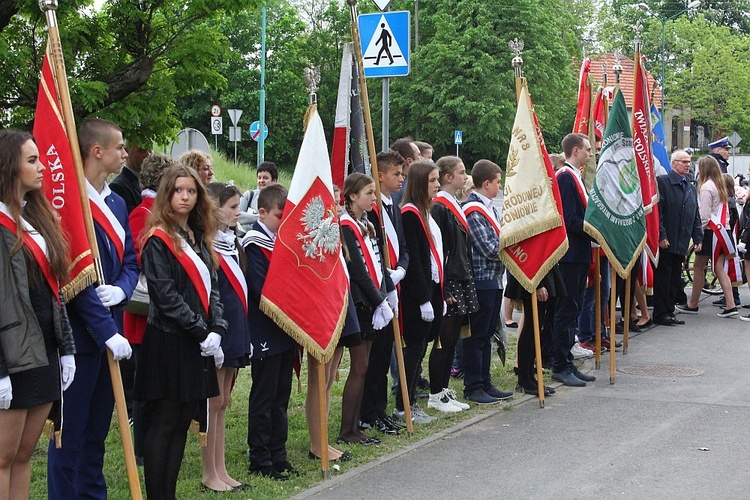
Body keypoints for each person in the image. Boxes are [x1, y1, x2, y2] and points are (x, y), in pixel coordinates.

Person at [48, 118, 139, 499]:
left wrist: (120, 291)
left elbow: (131, 261)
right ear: (96, 151)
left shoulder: (117, 201)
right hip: (81, 341)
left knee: (97, 435)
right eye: (119, 147)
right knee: (69, 438)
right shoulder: (68, 203)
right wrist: (106, 331)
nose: (125, 153)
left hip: (112, 332)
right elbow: (71, 274)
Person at [134, 164, 226, 499]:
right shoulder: (159, 238)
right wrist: (203, 332)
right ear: (167, 195)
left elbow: (214, 289)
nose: (184, 197)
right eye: (178, 191)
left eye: (190, 191)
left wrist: (217, 327)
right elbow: (165, 296)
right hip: (169, 341)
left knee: (183, 422)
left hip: (197, 343)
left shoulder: (199, 236)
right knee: (164, 422)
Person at [0, 130, 75, 499]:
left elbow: (52, 293)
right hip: (12, 358)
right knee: (2, 456)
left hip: (44, 351)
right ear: (8, 166)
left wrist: (67, 348)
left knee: (24, 454)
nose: (42, 167)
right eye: (31, 160)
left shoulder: (36, 218)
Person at [122, 152, 178, 464]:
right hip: (144, 315)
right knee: (145, 388)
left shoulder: (163, 213)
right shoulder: (141, 212)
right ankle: (142, 448)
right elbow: (138, 255)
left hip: (163, 314)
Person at [242, 184, 299, 480]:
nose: (283, 221)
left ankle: (279, 453)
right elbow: (261, 288)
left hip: (286, 329)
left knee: (281, 396)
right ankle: (260, 457)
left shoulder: (281, 241)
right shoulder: (254, 244)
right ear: (262, 213)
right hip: (265, 329)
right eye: (279, 215)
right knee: (264, 397)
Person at [202, 182, 252, 492]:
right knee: (213, 401)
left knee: (224, 400)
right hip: (217, 331)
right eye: (232, 207)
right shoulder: (206, 244)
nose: (238, 212)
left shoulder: (232, 242)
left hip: (236, 326)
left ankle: (221, 468)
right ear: (213, 208)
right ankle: (209, 473)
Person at [339, 173, 395, 442]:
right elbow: (358, 271)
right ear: (352, 196)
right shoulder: (346, 226)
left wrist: (387, 292)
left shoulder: (365, 223)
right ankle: (346, 429)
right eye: (369, 193)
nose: (374, 198)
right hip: (360, 304)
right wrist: (378, 300)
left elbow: (376, 265)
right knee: (359, 367)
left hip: (372, 302)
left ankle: (355, 425)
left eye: (374, 193)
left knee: (366, 365)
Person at [361, 152, 409, 434]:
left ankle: (379, 410)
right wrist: (386, 280)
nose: (401, 178)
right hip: (378, 292)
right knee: (376, 357)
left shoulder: (393, 206)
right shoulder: (373, 209)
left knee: (385, 352)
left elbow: (401, 245)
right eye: (395, 174)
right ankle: (369, 412)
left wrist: (401, 268)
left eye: (402, 174)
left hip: (393, 285)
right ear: (380, 176)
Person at [306, 185, 355, 462]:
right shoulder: (315, 236)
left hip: (340, 306)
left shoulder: (335, 234)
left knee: (327, 384)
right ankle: (317, 444)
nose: (337, 209)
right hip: (321, 312)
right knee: (319, 381)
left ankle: (323, 440)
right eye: (332, 204)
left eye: (337, 203)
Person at [394, 161, 443, 422]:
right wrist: (424, 298)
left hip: (429, 291)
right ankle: (404, 405)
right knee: (413, 352)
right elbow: (414, 263)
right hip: (415, 297)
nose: (437, 185)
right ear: (420, 183)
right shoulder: (410, 214)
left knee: (419, 350)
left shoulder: (424, 210)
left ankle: (410, 401)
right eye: (433, 180)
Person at [461, 159, 514, 402]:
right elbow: (488, 247)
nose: (499, 187)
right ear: (486, 183)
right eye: (497, 182)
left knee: (488, 334)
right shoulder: (473, 209)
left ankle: (485, 381)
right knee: (477, 336)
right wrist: (511, 244)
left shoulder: (489, 207)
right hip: (481, 279)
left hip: (493, 279)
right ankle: (474, 385)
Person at [427, 156, 476, 412]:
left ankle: (443, 389)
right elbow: (438, 250)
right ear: (448, 178)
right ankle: (435, 393)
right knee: (443, 339)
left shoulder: (453, 204)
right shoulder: (439, 206)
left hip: (460, 277)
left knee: (453, 335)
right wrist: (444, 288)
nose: (464, 176)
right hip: (449, 280)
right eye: (461, 172)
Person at [549, 133, 597, 387]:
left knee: (573, 308)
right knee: (566, 310)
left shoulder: (575, 176)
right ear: (575, 151)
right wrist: (595, 228)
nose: (591, 154)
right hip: (569, 255)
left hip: (579, 253)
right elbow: (569, 221)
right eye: (588, 150)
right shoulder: (566, 178)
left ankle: (566, 359)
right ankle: (559, 364)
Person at [679, 156, 738, 318]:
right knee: (718, 268)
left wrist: (697, 236)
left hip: (711, 233)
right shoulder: (720, 186)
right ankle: (731, 303)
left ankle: (693, 304)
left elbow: (704, 216)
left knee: (698, 267)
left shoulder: (706, 187)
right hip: (722, 231)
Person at [653, 150, 703, 325]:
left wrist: (698, 237)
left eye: (689, 162)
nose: (687, 165)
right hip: (667, 240)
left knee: (675, 279)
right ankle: (660, 313)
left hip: (681, 240)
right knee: (663, 279)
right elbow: (658, 213)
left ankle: (669, 310)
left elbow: (694, 213)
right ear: (673, 164)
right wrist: (661, 235)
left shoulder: (689, 185)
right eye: (683, 162)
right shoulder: (663, 182)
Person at [110, 142, 151, 214]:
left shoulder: (151, 182)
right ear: (127, 152)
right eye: (141, 150)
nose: (147, 154)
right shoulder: (118, 187)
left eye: (150, 149)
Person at [238, 161, 279, 231]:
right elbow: (238, 216)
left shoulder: (279, 200)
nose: (261, 181)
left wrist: (248, 220)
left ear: (274, 180)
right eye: (259, 178)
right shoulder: (249, 195)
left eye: (265, 178)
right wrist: (262, 217)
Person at [390, 137, 422, 206]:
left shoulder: (389, 186)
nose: (422, 159)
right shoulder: (409, 190)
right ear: (409, 161)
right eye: (419, 155)